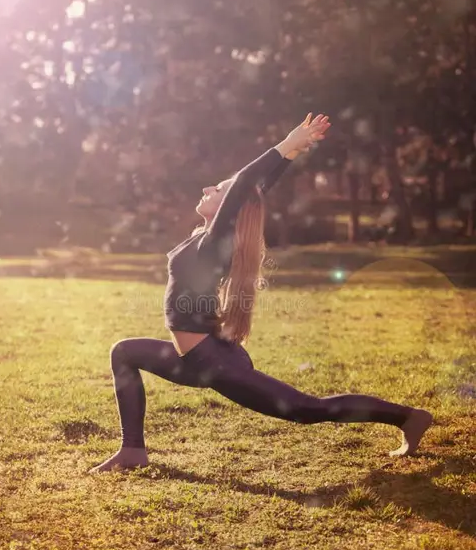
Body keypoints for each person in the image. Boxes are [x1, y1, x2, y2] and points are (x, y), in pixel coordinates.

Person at [89, 114, 432, 473]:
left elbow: (244, 186)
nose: (208, 189)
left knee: (307, 409)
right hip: (194, 359)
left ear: (228, 207)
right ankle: (132, 452)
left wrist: (286, 145)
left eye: (217, 190)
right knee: (124, 352)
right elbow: (252, 191)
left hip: (213, 362)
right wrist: (287, 158)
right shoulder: (205, 236)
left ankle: (408, 417)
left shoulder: (214, 244)